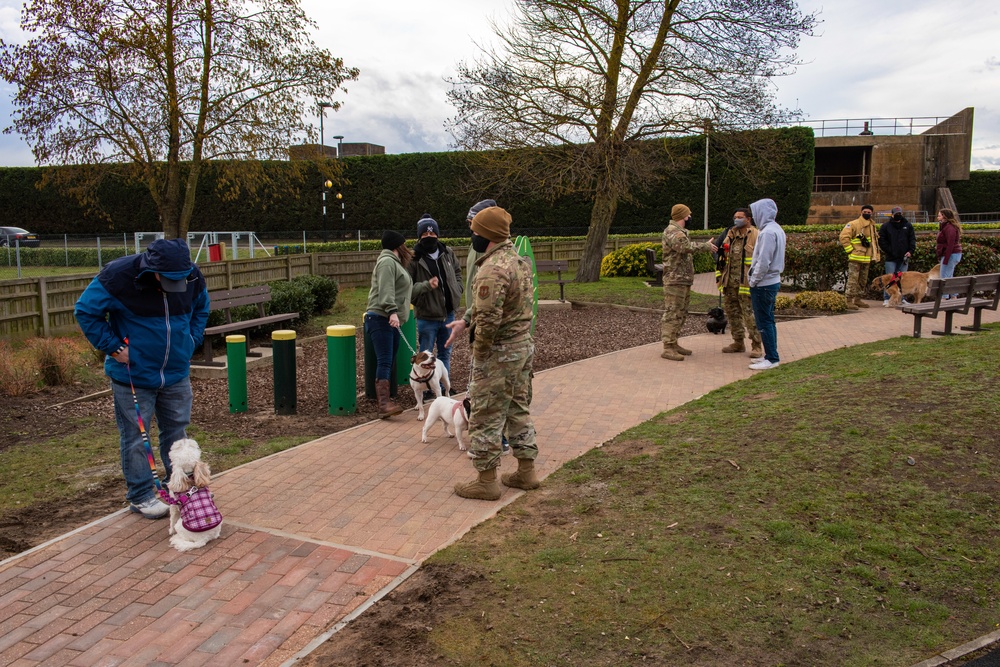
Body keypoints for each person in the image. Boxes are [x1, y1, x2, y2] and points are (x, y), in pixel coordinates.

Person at [74, 238, 210, 519]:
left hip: (176, 373)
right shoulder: (117, 276)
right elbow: (86, 311)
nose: (174, 285)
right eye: (167, 280)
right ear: (153, 270)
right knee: (136, 437)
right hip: (132, 374)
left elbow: (201, 309)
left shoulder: (192, 274)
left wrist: (191, 341)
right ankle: (141, 495)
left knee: (176, 435)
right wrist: (113, 346)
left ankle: (177, 488)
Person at [445, 206, 536, 500]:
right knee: (517, 409)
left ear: (487, 235)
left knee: (484, 413)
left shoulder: (492, 269)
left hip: (498, 354)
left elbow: (489, 320)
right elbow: (503, 307)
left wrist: (480, 355)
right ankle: (526, 472)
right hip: (522, 348)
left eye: (475, 232)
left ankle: (486, 481)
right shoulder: (519, 262)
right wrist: (465, 321)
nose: (472, 236)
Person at [408, 214, 463, 397]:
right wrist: (425, 288)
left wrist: (458, 289)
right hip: (427, 316)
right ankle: (427, 390)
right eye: (425, 235)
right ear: (419, 237)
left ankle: (442, 386)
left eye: (432, 235)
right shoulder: (414, 259)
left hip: (448, 314)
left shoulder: (448, 252)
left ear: (437, 235)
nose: (429, 238)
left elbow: (457, 271)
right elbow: (407, 288)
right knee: (426, 355)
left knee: (445, 354)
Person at [365, 230, 414, 418]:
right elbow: (386, 290)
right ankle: (383, 404)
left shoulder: (393, 263)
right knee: (385, 359)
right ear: (398, 245)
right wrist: (392, 311)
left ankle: (386, 402)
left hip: (388, 319)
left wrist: (427, 286)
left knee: (388, 359)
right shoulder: (387, 262)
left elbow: (402, 290)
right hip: (381, 317)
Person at [660, 204, 713, 361]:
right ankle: (668, 347)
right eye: (688, 215)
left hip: (682, 279)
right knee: (672, 312)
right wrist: (706, 246)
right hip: (675, 280)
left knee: (681, 312)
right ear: (683, 216)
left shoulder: (680, 232)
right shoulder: (673, 232)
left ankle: (674, 342)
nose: (690, 218)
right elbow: (684, 247)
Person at [716, 208, 763, 358]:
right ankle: (738, 342)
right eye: (735, 217)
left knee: (749, 315)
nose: (736, 219)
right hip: (729, 283)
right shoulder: (730, 234)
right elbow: (721, 256)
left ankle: (756, 345)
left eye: (740, 217)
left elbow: (761, 260)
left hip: (746, 284)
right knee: (732, 313)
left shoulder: (756, 235)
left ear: (748, 219)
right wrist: (720, 279)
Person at [748, 198, 786, 371]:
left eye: (756, 212)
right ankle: (770, 355)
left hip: (764, 284)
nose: (754, 217)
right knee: (768, 320)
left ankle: (771, 358)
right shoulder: (776, 229)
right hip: (771, 281)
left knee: (764, 321)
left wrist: (754, 280)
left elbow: (763, 261)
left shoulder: (767, 233)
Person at [839, 204, 880, 310]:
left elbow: (874, 242)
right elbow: (843, 237)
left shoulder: (872, 225)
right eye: (865, 212)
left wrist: (875, 255)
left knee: (863, 280)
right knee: (853, 279)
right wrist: (850, 251)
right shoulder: (853, 224)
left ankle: (857, 299)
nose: (867, 214)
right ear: (861, 212)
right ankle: (848, 300)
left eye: (869, 212)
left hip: (866, 258)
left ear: (872, 213)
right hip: (856, 257)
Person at [877, 206, 917, 306]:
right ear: (892, 215)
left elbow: (912, 239)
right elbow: (882, 241)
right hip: (891, 258)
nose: (898, 216)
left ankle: (901, 298)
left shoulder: (908, 225)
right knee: (889, 280)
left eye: (900, 214)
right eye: (896, 214)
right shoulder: (886, 226)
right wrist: (889, 251)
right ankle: (887, 298)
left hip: (904, 257)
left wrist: (910, 251)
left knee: (902, 280)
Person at [936, 208, 963, 297]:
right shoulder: (947, 226)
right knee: (949, 276)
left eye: (939, 215)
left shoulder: (949, 227)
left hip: (951, 254)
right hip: (952, 254)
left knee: (944, 277)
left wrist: (946, 259)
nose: (937, 217)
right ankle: (954, 296)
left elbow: (950, 244)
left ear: (944, 217)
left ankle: (944, 297)